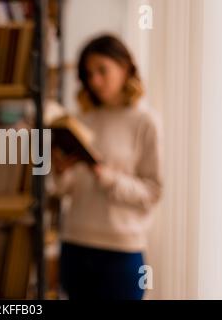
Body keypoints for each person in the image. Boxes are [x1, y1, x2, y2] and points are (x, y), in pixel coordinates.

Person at [52, 34, 163, 300]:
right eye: (88, 74)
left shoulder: (145, 122)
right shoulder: (78, 120)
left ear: (125, 67)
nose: (95, 81)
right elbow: (64, 190)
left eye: (102, 70)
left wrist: (109, 178)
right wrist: (61, 171)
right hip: (75, 245)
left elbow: (153, 192)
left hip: (122, 252)